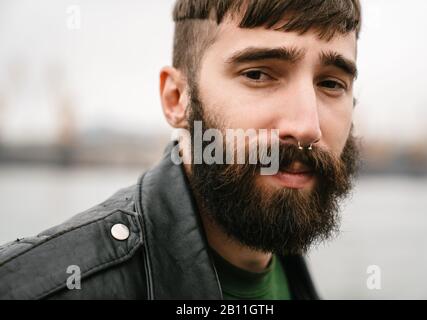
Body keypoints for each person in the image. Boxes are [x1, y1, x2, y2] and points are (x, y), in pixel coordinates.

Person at [0, 0, 361, 300]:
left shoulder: (288, 267)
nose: (306, 127)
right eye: (258, 74)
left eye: (331, 83)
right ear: (176, 98)